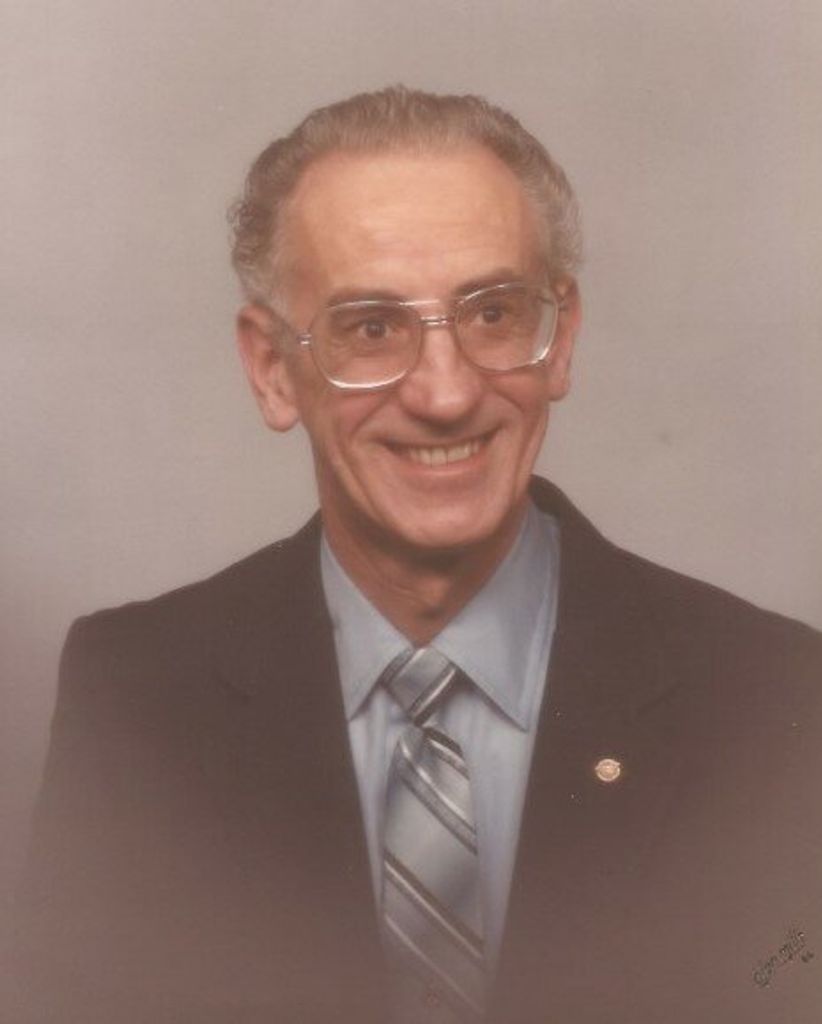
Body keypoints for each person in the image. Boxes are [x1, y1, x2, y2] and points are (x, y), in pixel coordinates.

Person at [11, 86, 822, 1024]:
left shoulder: (773, 699)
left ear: (561, 341)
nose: (446, 395)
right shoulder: (138, 700)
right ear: (272, 369)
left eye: (493, 314)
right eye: (371, 327)